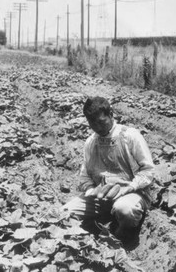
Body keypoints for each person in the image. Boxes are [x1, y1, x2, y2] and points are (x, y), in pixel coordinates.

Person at [63, 96, 155, 244]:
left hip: (131, 194)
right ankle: (94, 227)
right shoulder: (90, 143)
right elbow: (84, 176)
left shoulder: (130, 136)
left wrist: (131, 187)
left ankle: (122, 234)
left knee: (124, 209)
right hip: (101, 197)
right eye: (92, 123)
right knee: (64, 213)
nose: (97, 127)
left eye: (101, 122)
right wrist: (91, 191)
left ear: (111, 115)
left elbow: (148, 171)